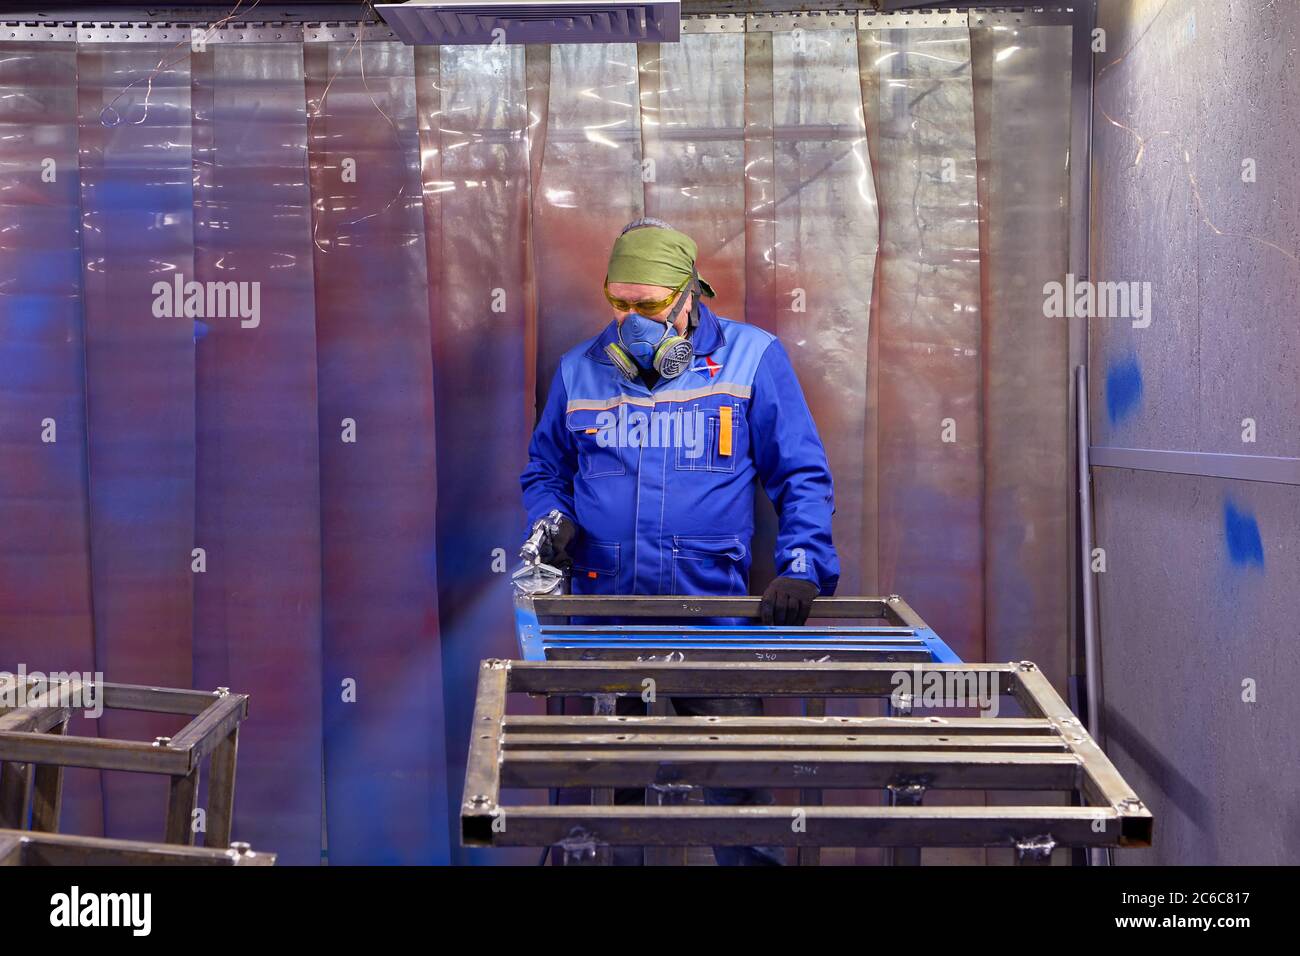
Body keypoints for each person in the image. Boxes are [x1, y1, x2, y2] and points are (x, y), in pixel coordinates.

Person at [520, 217, 839, 865]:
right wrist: (551, 523)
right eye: (620, 302)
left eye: (650, 304)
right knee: (609, 807)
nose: (632, 318)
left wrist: (803, 562)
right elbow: (545, 471)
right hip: (605, 623)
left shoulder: (751, 357)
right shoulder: (580, 372)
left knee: (740, 795)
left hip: (713, 622)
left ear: (690, 292)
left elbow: (800, 472)